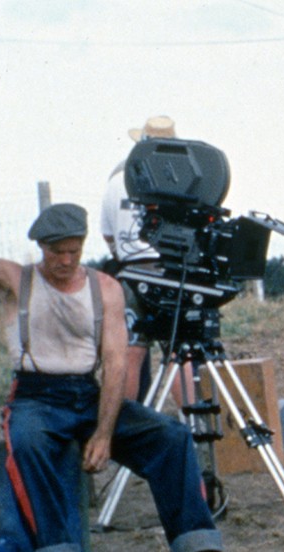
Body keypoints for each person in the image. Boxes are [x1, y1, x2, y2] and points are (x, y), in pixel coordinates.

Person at [0, 158, 254, 552]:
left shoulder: (106, 289)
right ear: (40, 247)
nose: (64, 261)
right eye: (55, 252)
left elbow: (117, 363)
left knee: (171, 437)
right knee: (28, 444)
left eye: (73, 251)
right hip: (34, 396)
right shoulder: (15, 280)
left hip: (89, 394)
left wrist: (104, 433)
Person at [102, 115, 175, 400]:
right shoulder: (176, 179)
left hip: (130, 272)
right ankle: (194, 425)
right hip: (168, 270)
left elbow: (108, 235)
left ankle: (129, 424)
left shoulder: (117, 179)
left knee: (131, 353)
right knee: (178, 351)